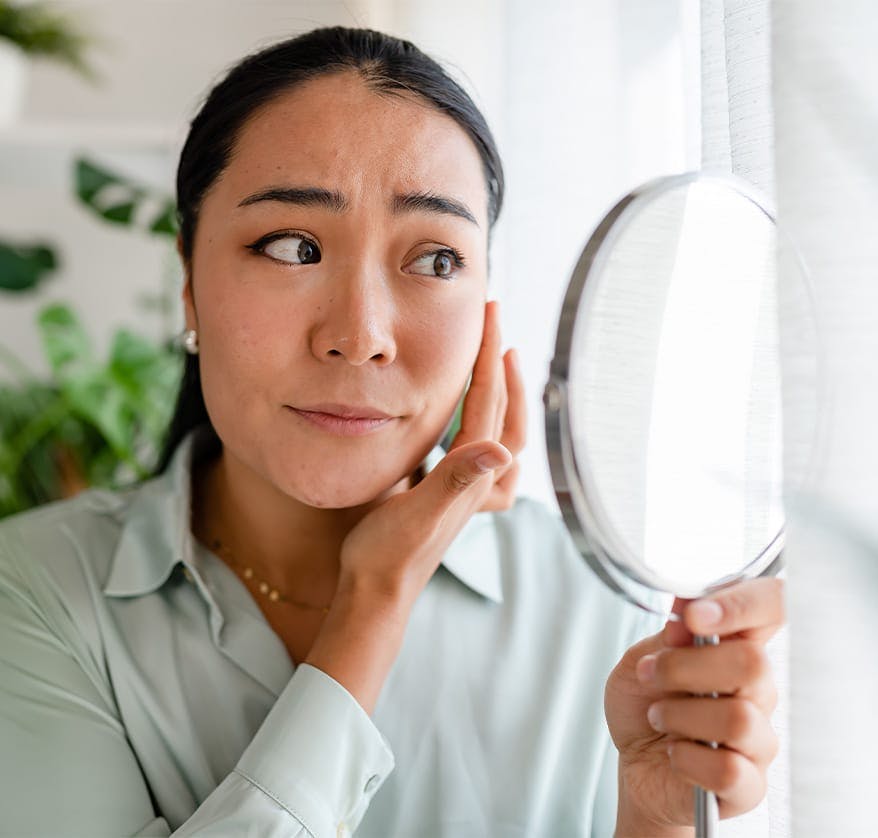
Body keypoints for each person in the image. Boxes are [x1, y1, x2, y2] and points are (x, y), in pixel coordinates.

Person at [0, 26, 783, 838]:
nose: (361, 332)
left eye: (437, 261)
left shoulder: (601, 616)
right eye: (292, 246)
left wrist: (655, 818)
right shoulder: (33, 593)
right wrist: (374, 601)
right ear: (190, 286)